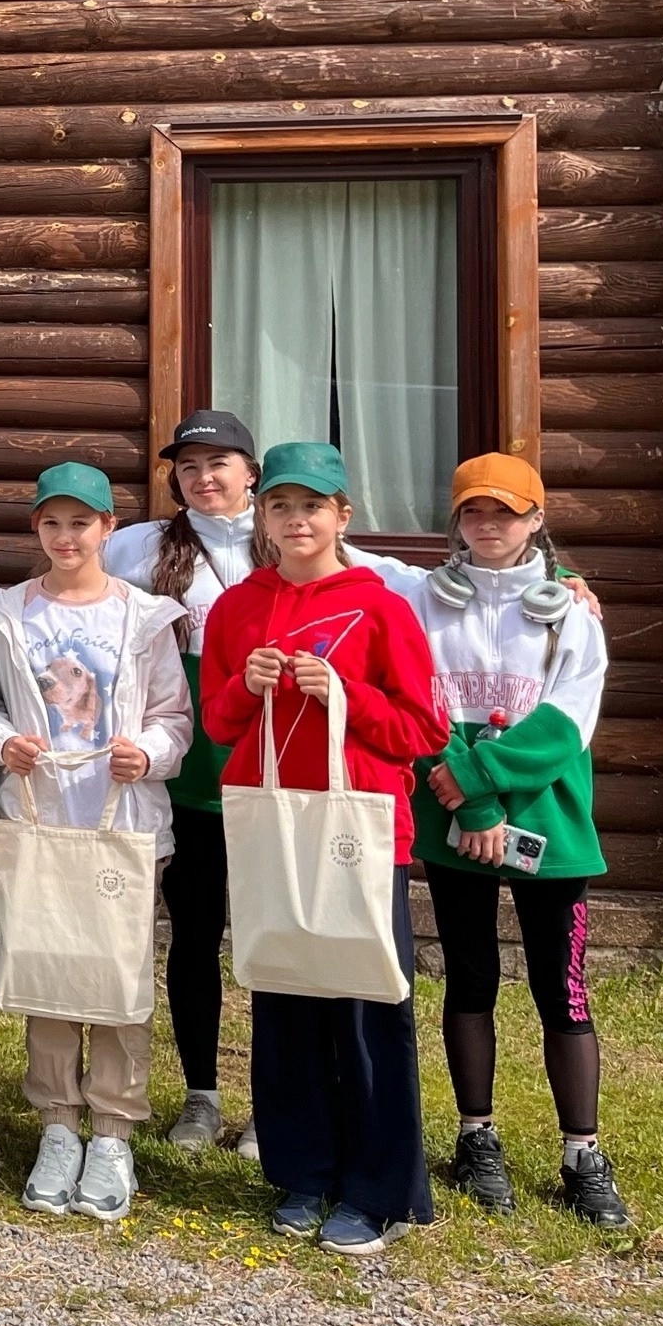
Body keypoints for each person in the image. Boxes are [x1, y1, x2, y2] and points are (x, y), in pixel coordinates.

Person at [199, 441, 443, 1258]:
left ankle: (375, 1191)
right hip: (273, 826)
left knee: (366, 1003)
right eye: (279, 507)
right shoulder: (238, 607)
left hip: (359, 833)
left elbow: (422, 729)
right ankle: (303, 1174)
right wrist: (247, 686)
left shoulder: (382, 608)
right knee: (287, 996)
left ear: (343, 515)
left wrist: (350, 694)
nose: (295, 521)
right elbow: (217, 724)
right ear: (260, 518)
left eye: (312, 506)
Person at [407, 454, 629, 1228]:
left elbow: (568, 721)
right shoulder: (422, 601)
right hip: (454, 818)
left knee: (559, 989)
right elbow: (418, 704)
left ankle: (582, 1154)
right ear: (457, 524)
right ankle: (477, 1138)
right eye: (473, 512)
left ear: (537, 519)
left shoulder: (571, 613)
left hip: (545, 818)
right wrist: (469, 811)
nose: (488, 525)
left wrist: (482, 789)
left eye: (505, 512)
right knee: (469, 978)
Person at [0, 462, 190, 1224]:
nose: (65, 537)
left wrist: (151, 754)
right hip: (41, 816)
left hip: (123, 825)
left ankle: (112, 1129)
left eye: (82, 523)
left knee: (116, 976)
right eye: (52, 523)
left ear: (109, 529)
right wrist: (7, 744)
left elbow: (175, 716)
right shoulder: (9, 613)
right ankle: (57, 1126)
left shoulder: (142, 617)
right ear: (36, 529)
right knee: (49, 973)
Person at [98, 408, 260, 1157]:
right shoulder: (145, 546)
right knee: (192, 938)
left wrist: (556, 573)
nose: (203, 478)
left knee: (271, 945)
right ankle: (201, 1095)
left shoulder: (287, 537)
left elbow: (412, 581)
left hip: (266, 778)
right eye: (189, 467)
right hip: (184, 779)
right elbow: (73, 573)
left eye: (218, 463)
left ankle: (274, 1099)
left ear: (250, 472)